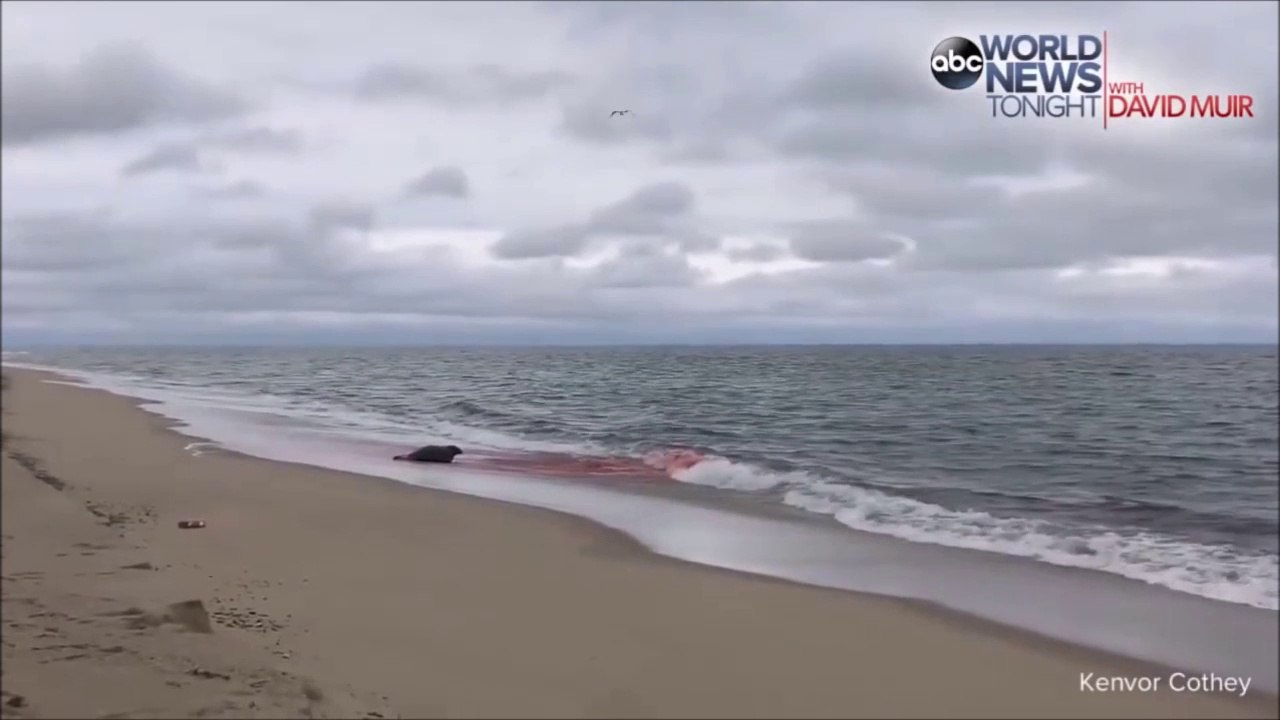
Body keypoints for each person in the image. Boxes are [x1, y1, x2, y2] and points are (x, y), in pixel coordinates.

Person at [393, 445, 463, 463]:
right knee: (415, 457)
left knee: (414, 456)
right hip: (428, 453)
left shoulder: (447, 451)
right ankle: (404, 457)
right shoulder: (448, 454)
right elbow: (447, 460)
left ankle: (405, 457)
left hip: (427, 451)